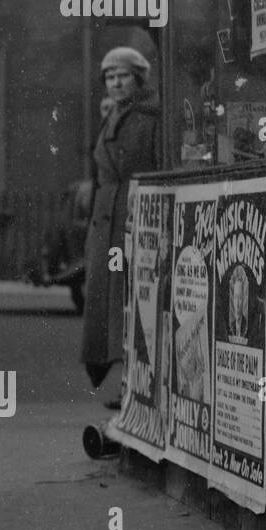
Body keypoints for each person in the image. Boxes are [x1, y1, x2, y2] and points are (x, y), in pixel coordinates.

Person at [82, 46, 161, 408]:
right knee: (114, 304)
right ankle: (128, 381)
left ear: (138, 79)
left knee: (131, 300)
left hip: (131, 223)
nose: (115, 83)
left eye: (123, 76)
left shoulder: (149, 117)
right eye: (110, 77)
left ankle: (136, 383)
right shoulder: (111, 115)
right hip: (106, 227)